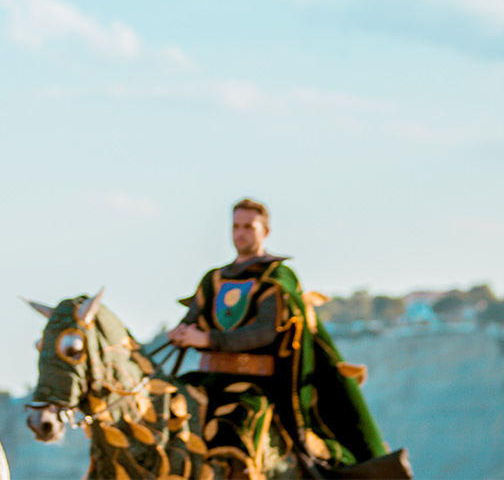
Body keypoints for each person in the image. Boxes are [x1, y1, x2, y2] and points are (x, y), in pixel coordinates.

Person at [167, 198, 390, 476]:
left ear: (265, 231)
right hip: (210, 378)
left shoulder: (276, 277)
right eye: (236, 226)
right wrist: (181, 333)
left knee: (238, 419)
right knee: (167, 406)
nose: (240, 232)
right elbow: (192, 319)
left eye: (248, 226)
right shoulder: (213, 278)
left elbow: (263, 332)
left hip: (258, 383)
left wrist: (210, 340)